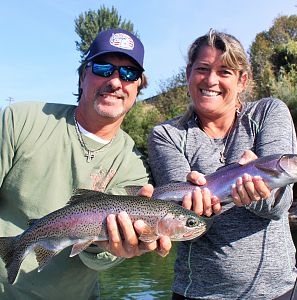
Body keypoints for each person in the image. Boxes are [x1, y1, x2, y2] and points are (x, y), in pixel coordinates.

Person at [0, 28, 171, 300]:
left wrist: (112, 249)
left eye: (128, 74)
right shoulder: (19, 120)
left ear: (138, 88)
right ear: (82, 76)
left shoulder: (134, 168)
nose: (116, 81)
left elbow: (97, 261)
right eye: (104, 68)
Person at [148, 29, 297, 299]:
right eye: (203, 69)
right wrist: (197, 213)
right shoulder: (166, 135)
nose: (211, 80)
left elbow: (278, 207)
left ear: (243, 80)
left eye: (225, 72)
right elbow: (185, 228)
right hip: (197, 293)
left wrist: (254, 194)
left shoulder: (269, 113)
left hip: (279, 292)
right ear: (188, 75)